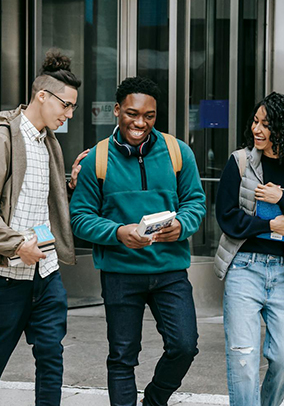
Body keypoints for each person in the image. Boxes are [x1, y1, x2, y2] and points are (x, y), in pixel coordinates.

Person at [70, 76, 207, 406]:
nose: (140, 123)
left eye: (149, 116)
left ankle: (154, 401)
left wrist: (182, 225)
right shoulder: (96, 160)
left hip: (170, 272)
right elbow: (80, 218)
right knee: (122, 357)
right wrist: (119, 233)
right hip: (120, 273)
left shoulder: (178, 152)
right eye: (132, 114)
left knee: (184, 346)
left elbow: (195, 202)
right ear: (117, 111)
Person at [0, 52, 86, 406]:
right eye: (67, 105)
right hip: (6, 276)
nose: (69, 114)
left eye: (73, 107)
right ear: (42, 96)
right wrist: (17, 245)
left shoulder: (48, 141)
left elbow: (29, 193)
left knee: (51, 355)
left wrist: (69, 184)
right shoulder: (3, 139)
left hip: (45, 273)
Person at [213, 92, 284, 406]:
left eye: (266, 124)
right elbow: (227, 218)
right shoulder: (240, 162)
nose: (257, 130)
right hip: (244, 268)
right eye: (255, 122)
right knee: (242, 358)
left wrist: (282, 200)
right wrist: (268, 226)